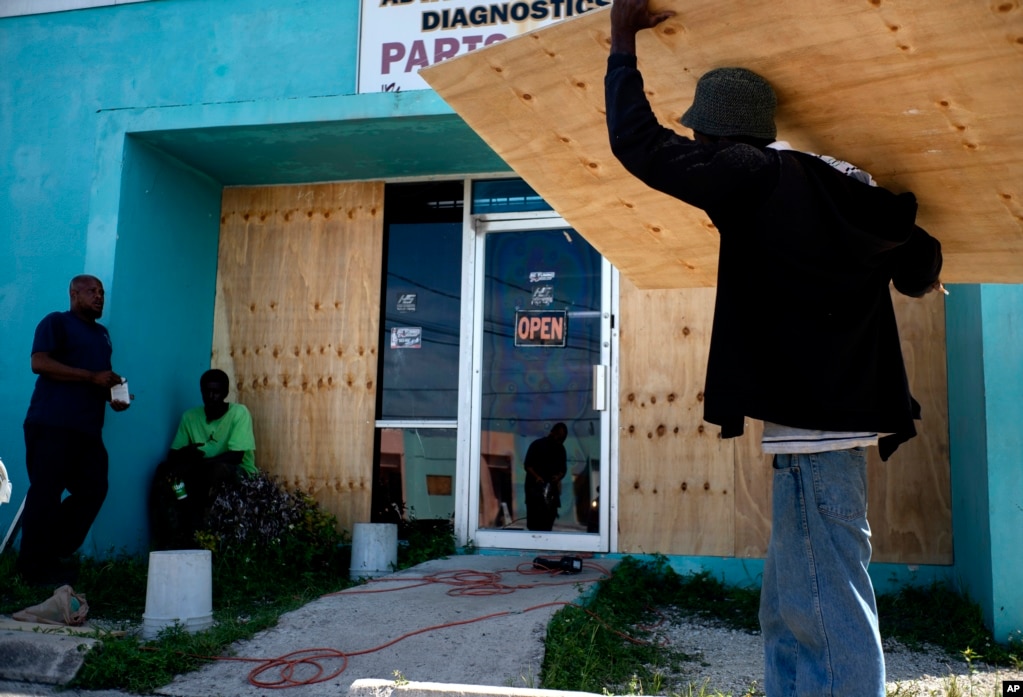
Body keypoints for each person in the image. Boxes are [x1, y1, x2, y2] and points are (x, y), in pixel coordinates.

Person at [604, 3, 944, 695]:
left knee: (828, 597)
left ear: (722, 134)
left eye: (700, 132)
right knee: (791, 602)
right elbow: (920, 267)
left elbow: (639, 146)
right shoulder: (848, 184)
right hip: (826, 423)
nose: (695, 142)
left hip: (813, 428)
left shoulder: (749, 173)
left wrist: (620, 40)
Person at [17, 274, 131, 586]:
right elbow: (39, 363)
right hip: (51, 423)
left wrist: (114, 394)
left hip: (87, 430)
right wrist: (91, 376)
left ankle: (50, 552)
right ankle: (32, 569)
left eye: (102, 292)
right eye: (92, 291)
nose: (99, 297)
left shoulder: (103, 335)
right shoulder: (56, 322)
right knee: (46, 493)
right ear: (73, 293)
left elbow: (98, 378)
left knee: (94, 488)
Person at [150, 369, 256, 549]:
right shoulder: (190, 416)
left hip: (236, 473)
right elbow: (173, 455)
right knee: (165, 472)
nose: (211, 396)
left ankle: (200, 528)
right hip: (199, 473)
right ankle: (173, 538)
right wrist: (186, 452)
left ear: (226, 392)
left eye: (216, 391)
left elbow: (235, 456)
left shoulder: (239, 413)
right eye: (207, 391)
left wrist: (194, 466)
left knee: (216, 471)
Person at [522, 422, 568, 531]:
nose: (559, 441)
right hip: (535, 493)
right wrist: (537, 477)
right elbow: (528, 465)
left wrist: (558, 477)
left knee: (548, 524)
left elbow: (563, 470)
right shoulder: (537, 445)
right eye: (558, 437)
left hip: (551, 493)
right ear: (552, 433)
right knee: (534, 525)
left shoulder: (561, 449)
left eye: (562, 438)